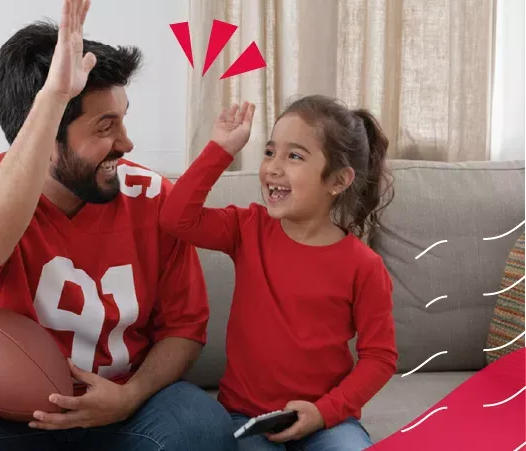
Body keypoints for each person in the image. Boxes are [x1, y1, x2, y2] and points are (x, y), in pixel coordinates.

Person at [0, 1, 237, 450]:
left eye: (123, 119)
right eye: (104, 127)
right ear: (44, 130)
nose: (126, 142)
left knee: (203, 427)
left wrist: (129, 396)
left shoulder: (154, 196)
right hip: (8, 411)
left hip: (127, 402)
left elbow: (184, 329)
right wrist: (53, 97)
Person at [159, 97, 399, 451]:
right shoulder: (247, 228)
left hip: (326, 420)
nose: (272, 167)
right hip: (246, 417)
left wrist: (323, 412)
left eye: (294, 156)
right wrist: (220, 151)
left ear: (337, 180)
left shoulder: (364, 266)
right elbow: (175, 218)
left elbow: (380, 358)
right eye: (270, 152)